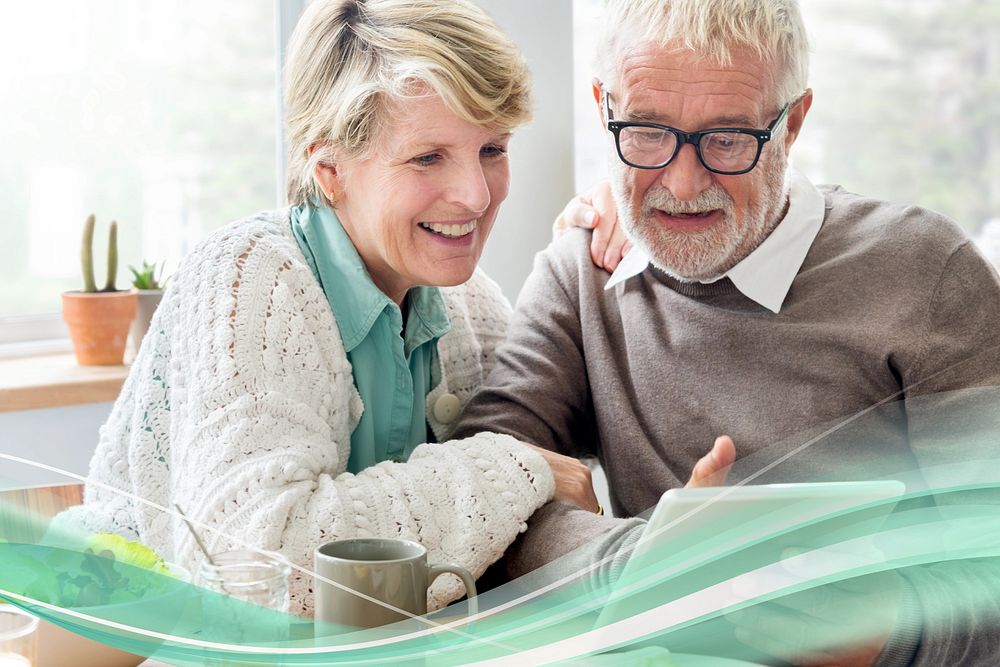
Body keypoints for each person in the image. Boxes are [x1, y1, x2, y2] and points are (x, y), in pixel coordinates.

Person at [456, 0, 1000, 664]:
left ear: (793, 122)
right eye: (649, 132)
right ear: (604, 108)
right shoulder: (582, 275)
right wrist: (637, 563)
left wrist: (898, 632)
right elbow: (473, 493)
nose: (683, 184)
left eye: (727, 139)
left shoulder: (927, 274)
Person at [51, 0, 633, 616]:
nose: (476, 194)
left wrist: (627, 209)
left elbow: (552, 472)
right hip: (122, 628)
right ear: (329, 169)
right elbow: (256, 568)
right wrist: (510, 468)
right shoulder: (248, 277)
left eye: (493, 148)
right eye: (427, 157)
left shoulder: (468, 303)